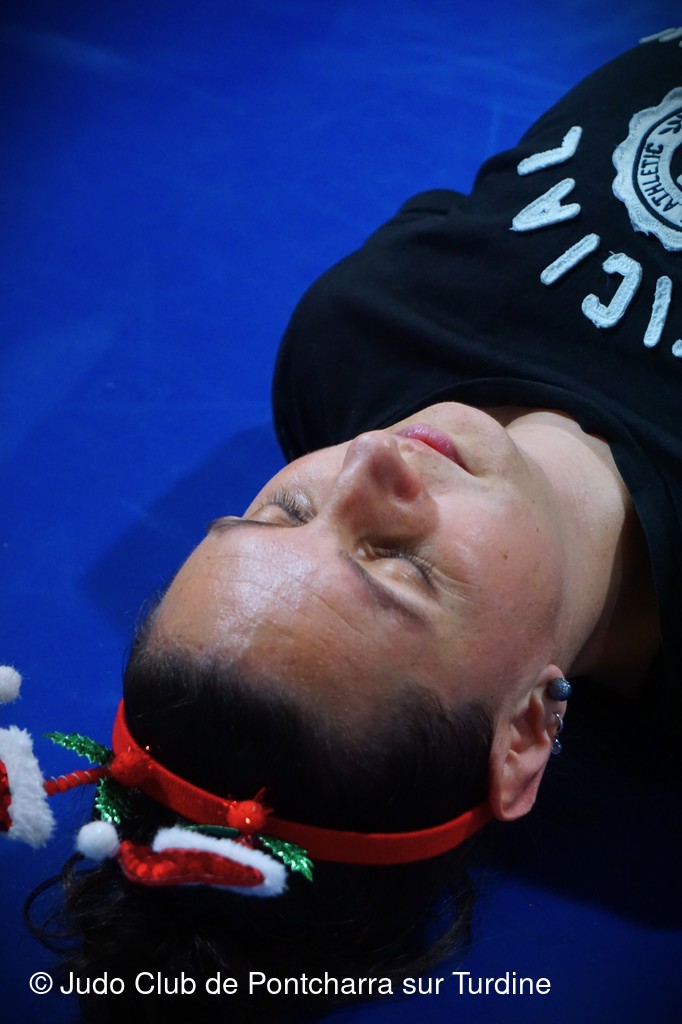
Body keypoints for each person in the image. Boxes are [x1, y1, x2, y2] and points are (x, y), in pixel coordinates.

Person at [19, 28, 682, 1023]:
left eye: (283, 508)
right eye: (401, 565)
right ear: (526, 731)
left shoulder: (353, 345)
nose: (371, 458)